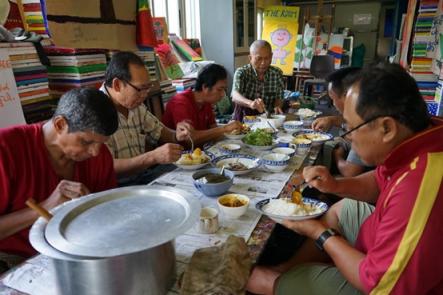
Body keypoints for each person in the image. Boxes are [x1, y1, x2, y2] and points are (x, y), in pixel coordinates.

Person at [247, 63, 443, 294]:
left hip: (385, 285)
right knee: (343, 209)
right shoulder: (420, 139)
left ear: (387, 128)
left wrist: (320, 233)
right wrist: (335, 185)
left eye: (350, 128)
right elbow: (379, 182)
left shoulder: (418, 186)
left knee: (257, 278)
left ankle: (282, 281)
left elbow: (380, 284)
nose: (347, 136)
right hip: (385, 239)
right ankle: (289, 269)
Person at [0, 88, 119, 268]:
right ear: (60, 124)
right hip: (15, 260)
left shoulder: (100, 157)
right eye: (86, 142)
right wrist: (45, 207)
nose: (95, 152)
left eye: (101, 144)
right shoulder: (7, 149)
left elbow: (106, 217)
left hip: (75, 251)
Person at [101, 51, 192, 186]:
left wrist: (177, 135)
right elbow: (105, 167)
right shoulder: (96, 109)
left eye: (147, 88)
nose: (144, 95)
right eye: (140, 89)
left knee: (192, 177)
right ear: (117, 85)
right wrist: (152, 157)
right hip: (117, 186)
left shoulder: (135, 104)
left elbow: (160, 132)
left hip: (142, 177)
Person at [162, 63, 242, 146]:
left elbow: (213, 130)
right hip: (178, 154)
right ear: (205, 87)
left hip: (200, 151)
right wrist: (225, 128)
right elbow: (189, 139)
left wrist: (234, 131)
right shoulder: (181, 102)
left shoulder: (206, 102)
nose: (223, 94)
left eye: (224, 90)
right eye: (220, 89)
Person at [311, 67, 370, 177]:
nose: (333, 104)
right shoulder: (363, 113)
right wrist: (332, 120)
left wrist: (337, 155)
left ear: (349, 95)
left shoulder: (364, 125)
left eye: (333, 98)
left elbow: (350, 172)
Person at [232, 40, 285, 122]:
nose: (263, 63)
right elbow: (234, 95)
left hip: (269, 120)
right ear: (250, 58)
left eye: (267, 58)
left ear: (271, 56)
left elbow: (279, 98)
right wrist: (250, 103)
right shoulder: (242, 73)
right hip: (244, 119)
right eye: (258, 59)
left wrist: (278, 106)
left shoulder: (277, 73)